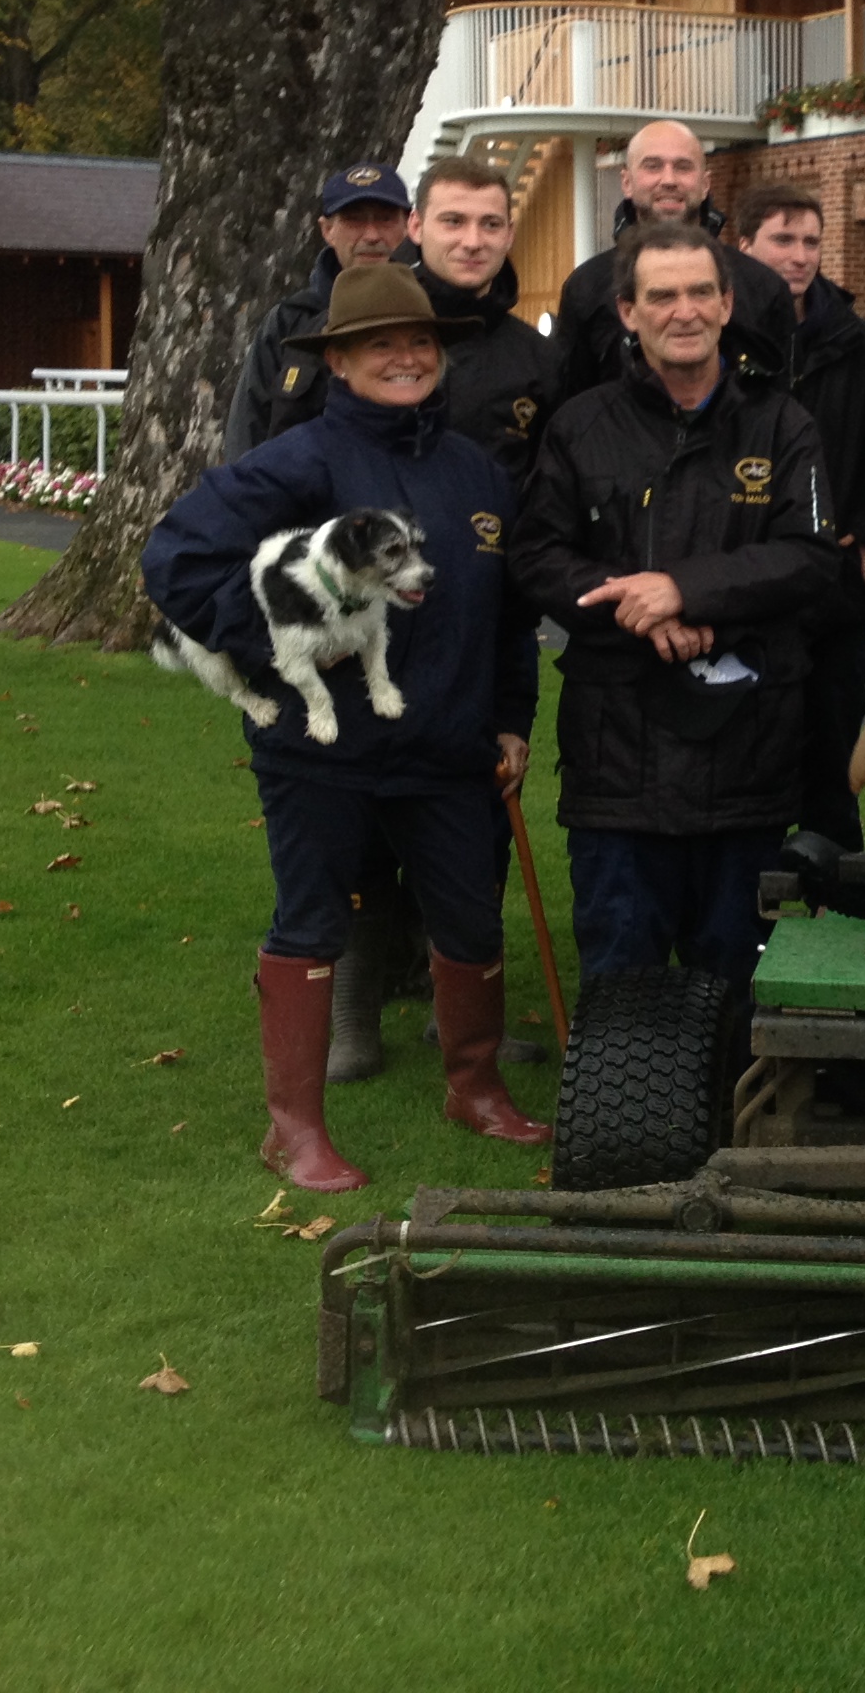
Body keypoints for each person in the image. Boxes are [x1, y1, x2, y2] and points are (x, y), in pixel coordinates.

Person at [143, 262, 551, 1192]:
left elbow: (508, 612)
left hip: (449, 747)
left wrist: (511, 719)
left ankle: (475, 1088)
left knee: (468, 919)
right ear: (338, 360)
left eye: (418, 343)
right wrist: (269, 640)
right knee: (313, 922)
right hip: (321, 753)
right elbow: (176, 556)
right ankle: (293, 1130)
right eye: (380, 346)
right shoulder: (302, 461)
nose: (404, 359)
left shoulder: (478, 473)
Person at [257, 153, 559, 1080]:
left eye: (492, 223)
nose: (474, 239)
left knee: (463, 846)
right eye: (453, 221)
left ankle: (461, 1038)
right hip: (351, 647)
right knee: (353, 854)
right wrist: (277, 648)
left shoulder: (529, 358)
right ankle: (350, 1024)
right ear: (419, 225)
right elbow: (257, 517)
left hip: (461, 637)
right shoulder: (324, 344)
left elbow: (527, 527)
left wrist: (512, 702)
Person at [510, 222, 845, 976]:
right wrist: (638, 612)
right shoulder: (581, 427)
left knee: (732, 981)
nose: (683, 311)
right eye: (661, 296)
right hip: (618, 762)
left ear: (728, 304)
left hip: (748, 760)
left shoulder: (782, 425)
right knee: (621, 976)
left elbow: (811, 556)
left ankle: (727, 1099)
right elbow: (536, 555)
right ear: (628, 312)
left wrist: (687, 594)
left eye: (700, 292)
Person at [732, 179, 865, 852]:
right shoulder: (717, 343)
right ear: (742, 246)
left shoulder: (862, 344)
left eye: (811, 242)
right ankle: (753, 904)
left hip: (832, 590)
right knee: (749, 759)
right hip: (745, 587)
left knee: (834, 752)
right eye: (782, 240)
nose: (799, 256)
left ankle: (840, 911)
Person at [547, 119, 793, 401]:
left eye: (683, 167)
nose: (669, 180)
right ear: (626, 182)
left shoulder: (762, 286)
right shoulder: (586, 287)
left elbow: (783, 406)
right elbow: (571, 405)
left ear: (705, 184)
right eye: (653, 166)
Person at [225, 163, 413, 457]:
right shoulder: (290, 322)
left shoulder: (433, 322)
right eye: (354, 220)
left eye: (385, 219)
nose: (372, 235)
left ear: (409, 225)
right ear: (327, 230)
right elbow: (247, 435)